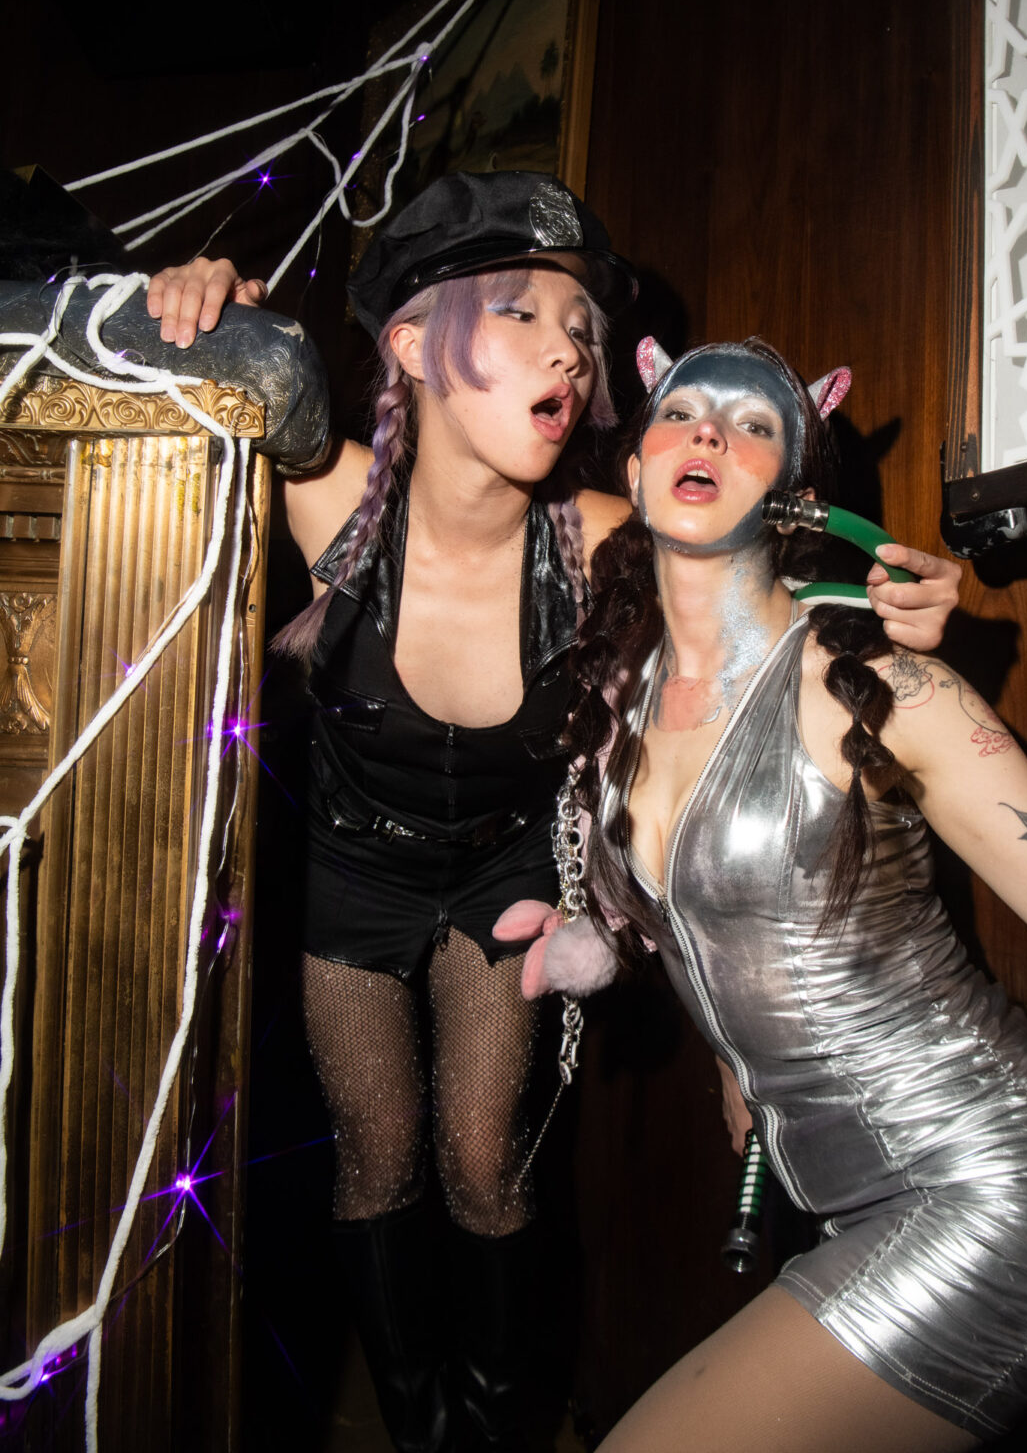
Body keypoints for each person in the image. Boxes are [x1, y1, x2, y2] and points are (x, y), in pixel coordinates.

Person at [147, 173, 965, 1453]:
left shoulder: (598, 537)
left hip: (506, 874)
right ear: (410, 343)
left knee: (482, 1161)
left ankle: (494, 1420)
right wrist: (202, 303)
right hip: (349, 873)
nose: (570, 352)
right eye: (522, 313)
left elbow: (763, 569)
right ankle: (414, 1416)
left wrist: (880, 590)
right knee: (376, 1155)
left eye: (583, 331)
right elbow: (163, 400)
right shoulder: (320, 498)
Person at [513, 336, 1027, 1452]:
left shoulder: (889, 695)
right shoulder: (623, 691)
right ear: (637, 466)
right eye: (681, 413)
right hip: (848, 1199)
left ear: (795, 493)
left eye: (753, 424)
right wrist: (730, 1057)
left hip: (1002, 1194)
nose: (709, 432)